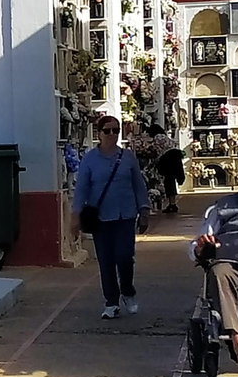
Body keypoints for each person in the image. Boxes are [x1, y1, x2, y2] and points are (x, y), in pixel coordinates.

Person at [72, 116, 151, 319]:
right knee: (106, 261)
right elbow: (82, 188)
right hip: (100, 218)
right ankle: (111, 301)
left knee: (124, 257)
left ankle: (128, 291)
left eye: (116, 130)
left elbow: (138, 184)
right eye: (107, 131)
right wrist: (75, 214)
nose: (112, 135)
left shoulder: (127, 157)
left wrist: (144, 210)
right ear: (98, 133)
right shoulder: (90, 159)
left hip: (125, 215)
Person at [192, 160, 238, 362]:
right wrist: (199, 248)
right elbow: (200, 241)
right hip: (232, 264)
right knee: (218, 273)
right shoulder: (224, 207)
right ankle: (237, 339)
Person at [157, 142, 185, 214]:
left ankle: (172, 204)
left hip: (168, 167)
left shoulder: (168, 155)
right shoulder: (174, 153)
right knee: (171, 185)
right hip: (171, 166)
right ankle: (172, 203)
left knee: (169, 185)